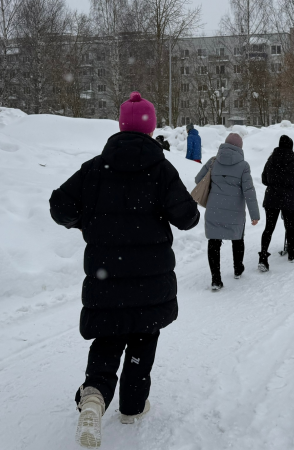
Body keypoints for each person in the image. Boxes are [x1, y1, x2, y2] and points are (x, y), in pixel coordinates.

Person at [49, 91, 200, 449]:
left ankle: (95, 396)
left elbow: (60, 206)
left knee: (108, 337)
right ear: (151, 128)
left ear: (120, 126)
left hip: (106, 279)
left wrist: (87, 220)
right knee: (143, 338)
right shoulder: (162, 169)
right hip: (150, 282)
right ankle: (132, 406)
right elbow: (188, 218)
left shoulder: (95, 168)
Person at [195, 133, 260, 290]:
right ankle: (238, 268)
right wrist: (254, 215)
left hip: (214, 210)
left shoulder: (213, 161)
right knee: (237, 238)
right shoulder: (243, 166)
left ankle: (216, 279)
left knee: (214, 242)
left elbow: (198, 179)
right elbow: (249, 191)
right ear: (240, 148)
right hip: (235, 212)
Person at [258, 135, 294, 271]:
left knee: (269, 228)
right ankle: (292, 253)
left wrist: (275, 182)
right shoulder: (293, 162)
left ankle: (263, 258)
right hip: (288, 199)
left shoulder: (270, 160)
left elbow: (264, 180)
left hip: (271, 198)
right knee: (289, 226)